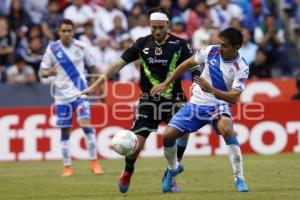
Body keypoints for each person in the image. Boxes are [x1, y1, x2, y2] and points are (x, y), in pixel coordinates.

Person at [79, 7, 196, 193]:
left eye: (161, 27)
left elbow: (194, 67)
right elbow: (118, 64)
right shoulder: (141, 44)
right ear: (149, 25)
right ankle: (128, 170)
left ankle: (172, 172)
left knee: (183, 131)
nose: (157, 31)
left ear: (168, 25)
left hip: (175, 99)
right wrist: (96, 83)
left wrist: (199, 84)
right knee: (135, 146)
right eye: (154, 27)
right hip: (148, 102)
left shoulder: (180, 44)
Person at [150, 27, 249, 193]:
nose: (220, 47)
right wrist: (166, 83)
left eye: (224, 45)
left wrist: (212, 91)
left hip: (218, 105)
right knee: (167, 136)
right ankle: (173, 169)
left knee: (227, 129)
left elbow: (233, 97)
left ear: (236, 47)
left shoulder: (241, 67)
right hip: (196, 104)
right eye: (219, 43)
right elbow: (188, 63)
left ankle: (239, 178)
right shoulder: (211, 51)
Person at [39, 19, 103, 177]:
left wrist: (95, 86)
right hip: (61, 97)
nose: (66, 34)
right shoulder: (52, 49)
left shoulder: (81, 46)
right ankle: (67, 166)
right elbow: (42, 72)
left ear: (73, 31)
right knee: (65, 130)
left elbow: (93, 67)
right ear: (59, 32)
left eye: (69, 31)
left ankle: (94, 163)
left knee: (85, 124)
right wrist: (49, 73)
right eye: (63, 31)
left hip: (80, 93)